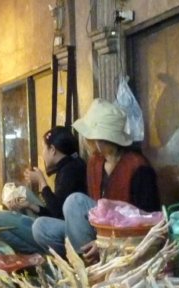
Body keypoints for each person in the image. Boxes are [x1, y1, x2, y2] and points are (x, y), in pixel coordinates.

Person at [32, 99, 161, 258]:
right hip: (97, 230)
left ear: (101, 139)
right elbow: (92, 213)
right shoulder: (95, 162)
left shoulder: (138, 167)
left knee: (74, 202)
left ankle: (91, 266)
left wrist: (105, 242)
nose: (86, 141)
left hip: (126, 237)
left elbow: (148, 220)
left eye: (89, 136)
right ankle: (84, 259)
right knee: (41, 227)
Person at [0, 126, 87, 254]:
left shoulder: (70, 170)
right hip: (58, 224)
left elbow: (58, 214)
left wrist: (42, 182)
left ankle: (41, 255)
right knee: (24, 192)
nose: (42, 154)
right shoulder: (70, 165)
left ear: (52, 150)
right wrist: (30, 205)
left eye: (44, 148)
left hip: (65, 233)